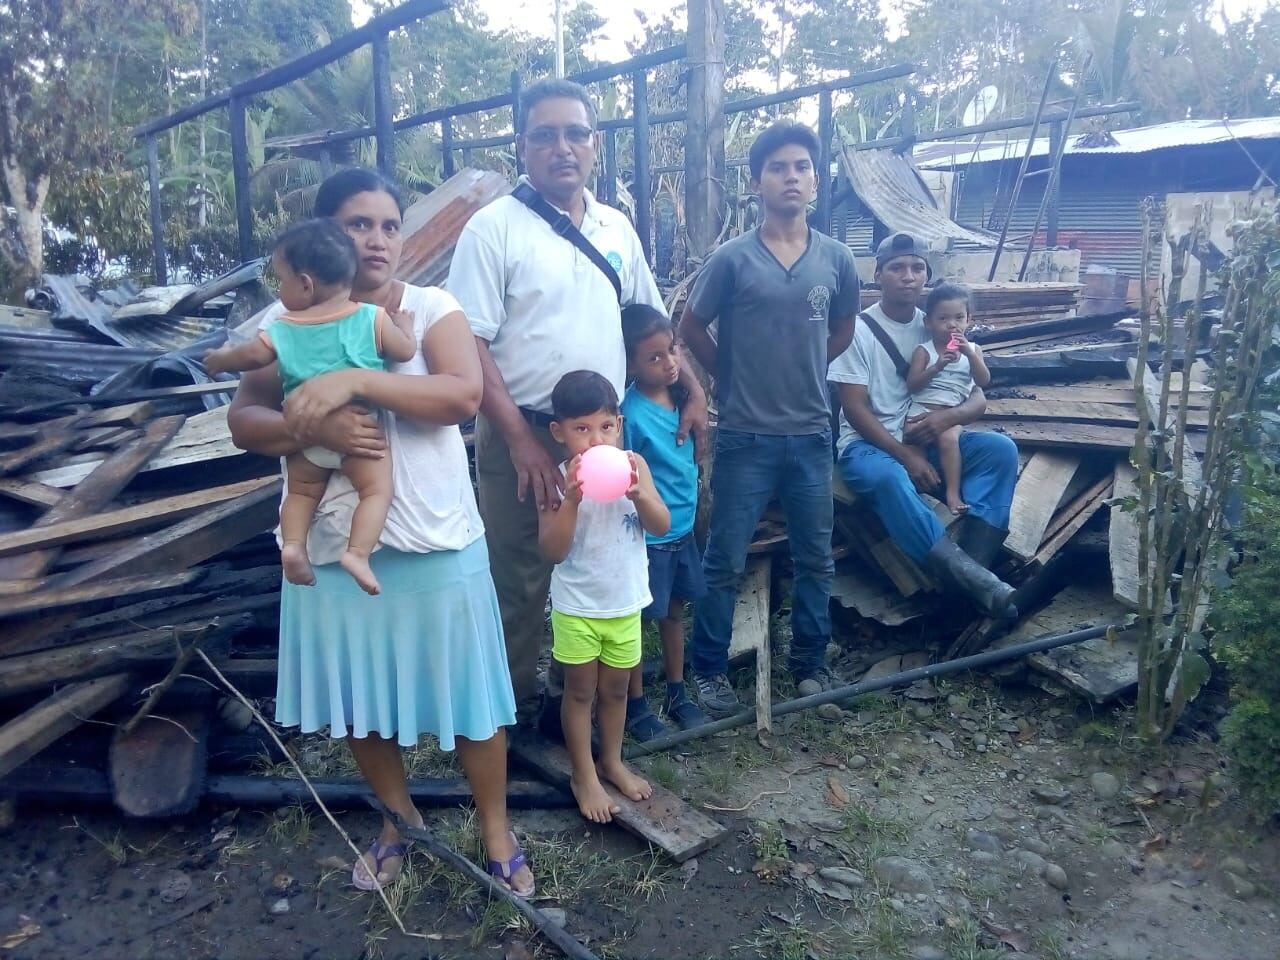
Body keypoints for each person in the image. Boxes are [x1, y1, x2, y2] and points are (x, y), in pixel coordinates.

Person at [226, 167, 534, 898]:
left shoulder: (430, 309)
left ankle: (496, 830)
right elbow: (244, 421)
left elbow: (460, 395)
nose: (377, 238)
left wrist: (356, 383)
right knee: (363, 698)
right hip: (331, 550)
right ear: (323, 239)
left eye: (390, 224)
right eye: (359, 224)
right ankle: (398, 823)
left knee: (471, 700)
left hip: (434, 538)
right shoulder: (287, 322)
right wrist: (309, 422)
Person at [449, 77, 708, 731]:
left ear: (594, 145)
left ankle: (584, 709)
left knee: (603, 565)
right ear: (522, 147)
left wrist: (695, 391)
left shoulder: (616, 227)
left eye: (575, 134)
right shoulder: (493, 230)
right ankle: (508, 718)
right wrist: (518, 437)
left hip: (602, 438)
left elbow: (649, 323)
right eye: (545, 135)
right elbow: (468, 340)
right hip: (524, 431)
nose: (561, 148)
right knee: (521, 576)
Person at [679, 119, 860, 718]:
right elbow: (689, 327)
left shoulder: (836, 260)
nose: (791, 176)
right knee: (725, 559)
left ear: (816, 179)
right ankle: (708, 669)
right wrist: (728, 377)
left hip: (811, 434)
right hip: (744, 437)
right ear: (757, 181)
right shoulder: (733, 259)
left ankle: (809, 661)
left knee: (816, 557)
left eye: (802, 167)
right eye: (778, 167)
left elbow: (842, 331)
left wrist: (802, 365)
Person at [205, 218, 417, 595]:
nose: (279, 289)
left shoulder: (283, 328)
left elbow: (253, 356)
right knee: (376, 492)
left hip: (306, 437)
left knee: (302, 495)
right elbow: (405, 350)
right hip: (359, 436)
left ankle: (293, 546)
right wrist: (405, 326)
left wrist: (223, 359)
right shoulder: (371, 319)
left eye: (280, 280)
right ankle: (357, 553)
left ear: (305, 284)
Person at [829, 233, 1019, 618]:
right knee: (889, 479)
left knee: (1001, 452)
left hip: (930, 434)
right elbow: (853, 408)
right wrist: (903, 455)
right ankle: (977, 584)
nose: (908, 276)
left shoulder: (939, 323)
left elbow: (978, 395)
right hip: (868, 445)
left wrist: (947, 417)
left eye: (917, 268)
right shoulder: (857, 330)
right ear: (878, 274)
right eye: (897, 268)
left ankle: (972, 576)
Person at [537, 371, 670, 822]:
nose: (596, 441)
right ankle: (583, 775)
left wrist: (640, 496)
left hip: (624, 602)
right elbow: (551, 551)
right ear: (559, 433)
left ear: (619, 424)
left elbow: (661, 525)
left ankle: (611, 760)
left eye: (605, 427)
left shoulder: (634, 467)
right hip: (578, 606)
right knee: (580, 693)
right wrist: (571, 501)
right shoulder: (556, 480)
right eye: (581, 429)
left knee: (616, 690)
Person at [619, 304, 709, 740]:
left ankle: (677, 691)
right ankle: (635, 705)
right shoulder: (630, 415)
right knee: (636, 619)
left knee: (674, 614)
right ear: (631, 363)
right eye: (654, 357)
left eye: (672, 350)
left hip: (682, 532)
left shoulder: (685, 399)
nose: (670, 362)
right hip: (647, 539)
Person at [905, 282, 992, 515]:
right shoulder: (924, 350)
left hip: (952, 415)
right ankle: (919, 498)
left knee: (948, 441)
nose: (951, 324)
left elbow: (983, 380)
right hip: (921, 409)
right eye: (942, 318)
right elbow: (912, 385)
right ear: (928, 322)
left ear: (968, 319)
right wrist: (936, 367)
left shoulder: (974, 349)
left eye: (958, 318)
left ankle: (953, 494)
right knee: (912, 446)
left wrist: (969, 355)